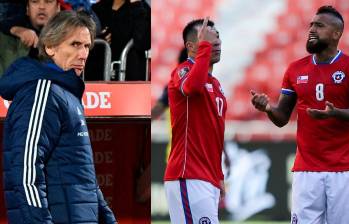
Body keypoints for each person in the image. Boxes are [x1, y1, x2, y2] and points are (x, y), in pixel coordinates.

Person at [0, 11, 116, 223]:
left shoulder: (66, 93)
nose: (83, 54)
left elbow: (83, 178)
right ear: (49, 47)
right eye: (75, 44)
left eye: (87, 46)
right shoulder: (41, 91)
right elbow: (26, 173)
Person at [251, 5, 349, 224]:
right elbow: (282, 117)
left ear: (336, 34)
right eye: (311, 25)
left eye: (319, 25)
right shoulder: (295, 69)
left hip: (344, 170)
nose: (312, 29)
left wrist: (337, 114)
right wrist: (268, 109)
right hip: (306, 171)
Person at [164, 17, 226, 223]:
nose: (215, 42)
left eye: (216, 37)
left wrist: (219, 175)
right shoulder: (182, 71)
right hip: (188, 174)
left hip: (208, 177)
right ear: (191, 46)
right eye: (207, 38)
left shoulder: (216, 84)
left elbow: (214, 134)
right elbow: (192, 87)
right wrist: (204, 49)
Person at [92, 0, 150, 81]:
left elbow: (143, 43)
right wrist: (100, 38)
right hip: (98, 76)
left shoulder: (143, 8)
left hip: (130, 78)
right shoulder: (97, 8)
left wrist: (136, 5)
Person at [0, 0, 60, 76]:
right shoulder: (8, 39)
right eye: (35, 2)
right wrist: (17, 30)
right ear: (27, 9)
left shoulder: (71, 36)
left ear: (58, 8)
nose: (41, 7)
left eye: (48, 2)